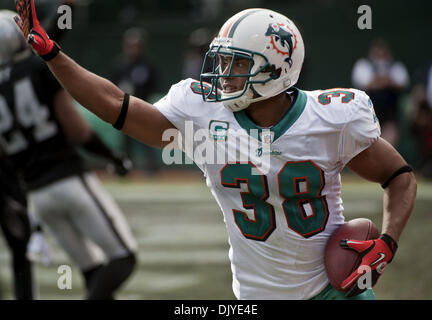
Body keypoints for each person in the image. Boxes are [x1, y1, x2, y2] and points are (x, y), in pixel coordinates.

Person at [14, 3, 417, 300]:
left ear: (278, 68)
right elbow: (117, 105)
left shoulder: (330, 119)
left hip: (333, 291)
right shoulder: (202, 112)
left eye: (237, 65)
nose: (223, 75)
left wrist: (387, 241)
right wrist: (54, 55)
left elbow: (399, 177)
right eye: (222, 62)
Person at [0, 9, 137, 300]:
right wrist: (114, 158)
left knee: (94, 271)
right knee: (123, 259)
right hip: (68, 180)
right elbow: (78, 131)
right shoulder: (38, 70)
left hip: (37, 197)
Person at [112, 27, 160, 174]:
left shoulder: (147, 65)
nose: (134, 50)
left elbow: (153, 84)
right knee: (125, 143)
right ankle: (123, 170)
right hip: (124, 109)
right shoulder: (120, 65)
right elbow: (112, 85)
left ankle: (152, 170)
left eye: (137, 46)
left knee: (147, 138)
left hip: (143, 107)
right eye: (131, 46)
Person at [351, 39, 410, 147]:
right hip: (367, 115)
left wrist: (382, 80)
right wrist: (385, 81)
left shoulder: (396, 66)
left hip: (390, 115)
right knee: (370, 147)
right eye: (377, 52)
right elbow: (366, 84)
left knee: (388, 146)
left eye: (383, 52)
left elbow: (402, 83)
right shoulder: (363, 65)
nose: (380, 55)